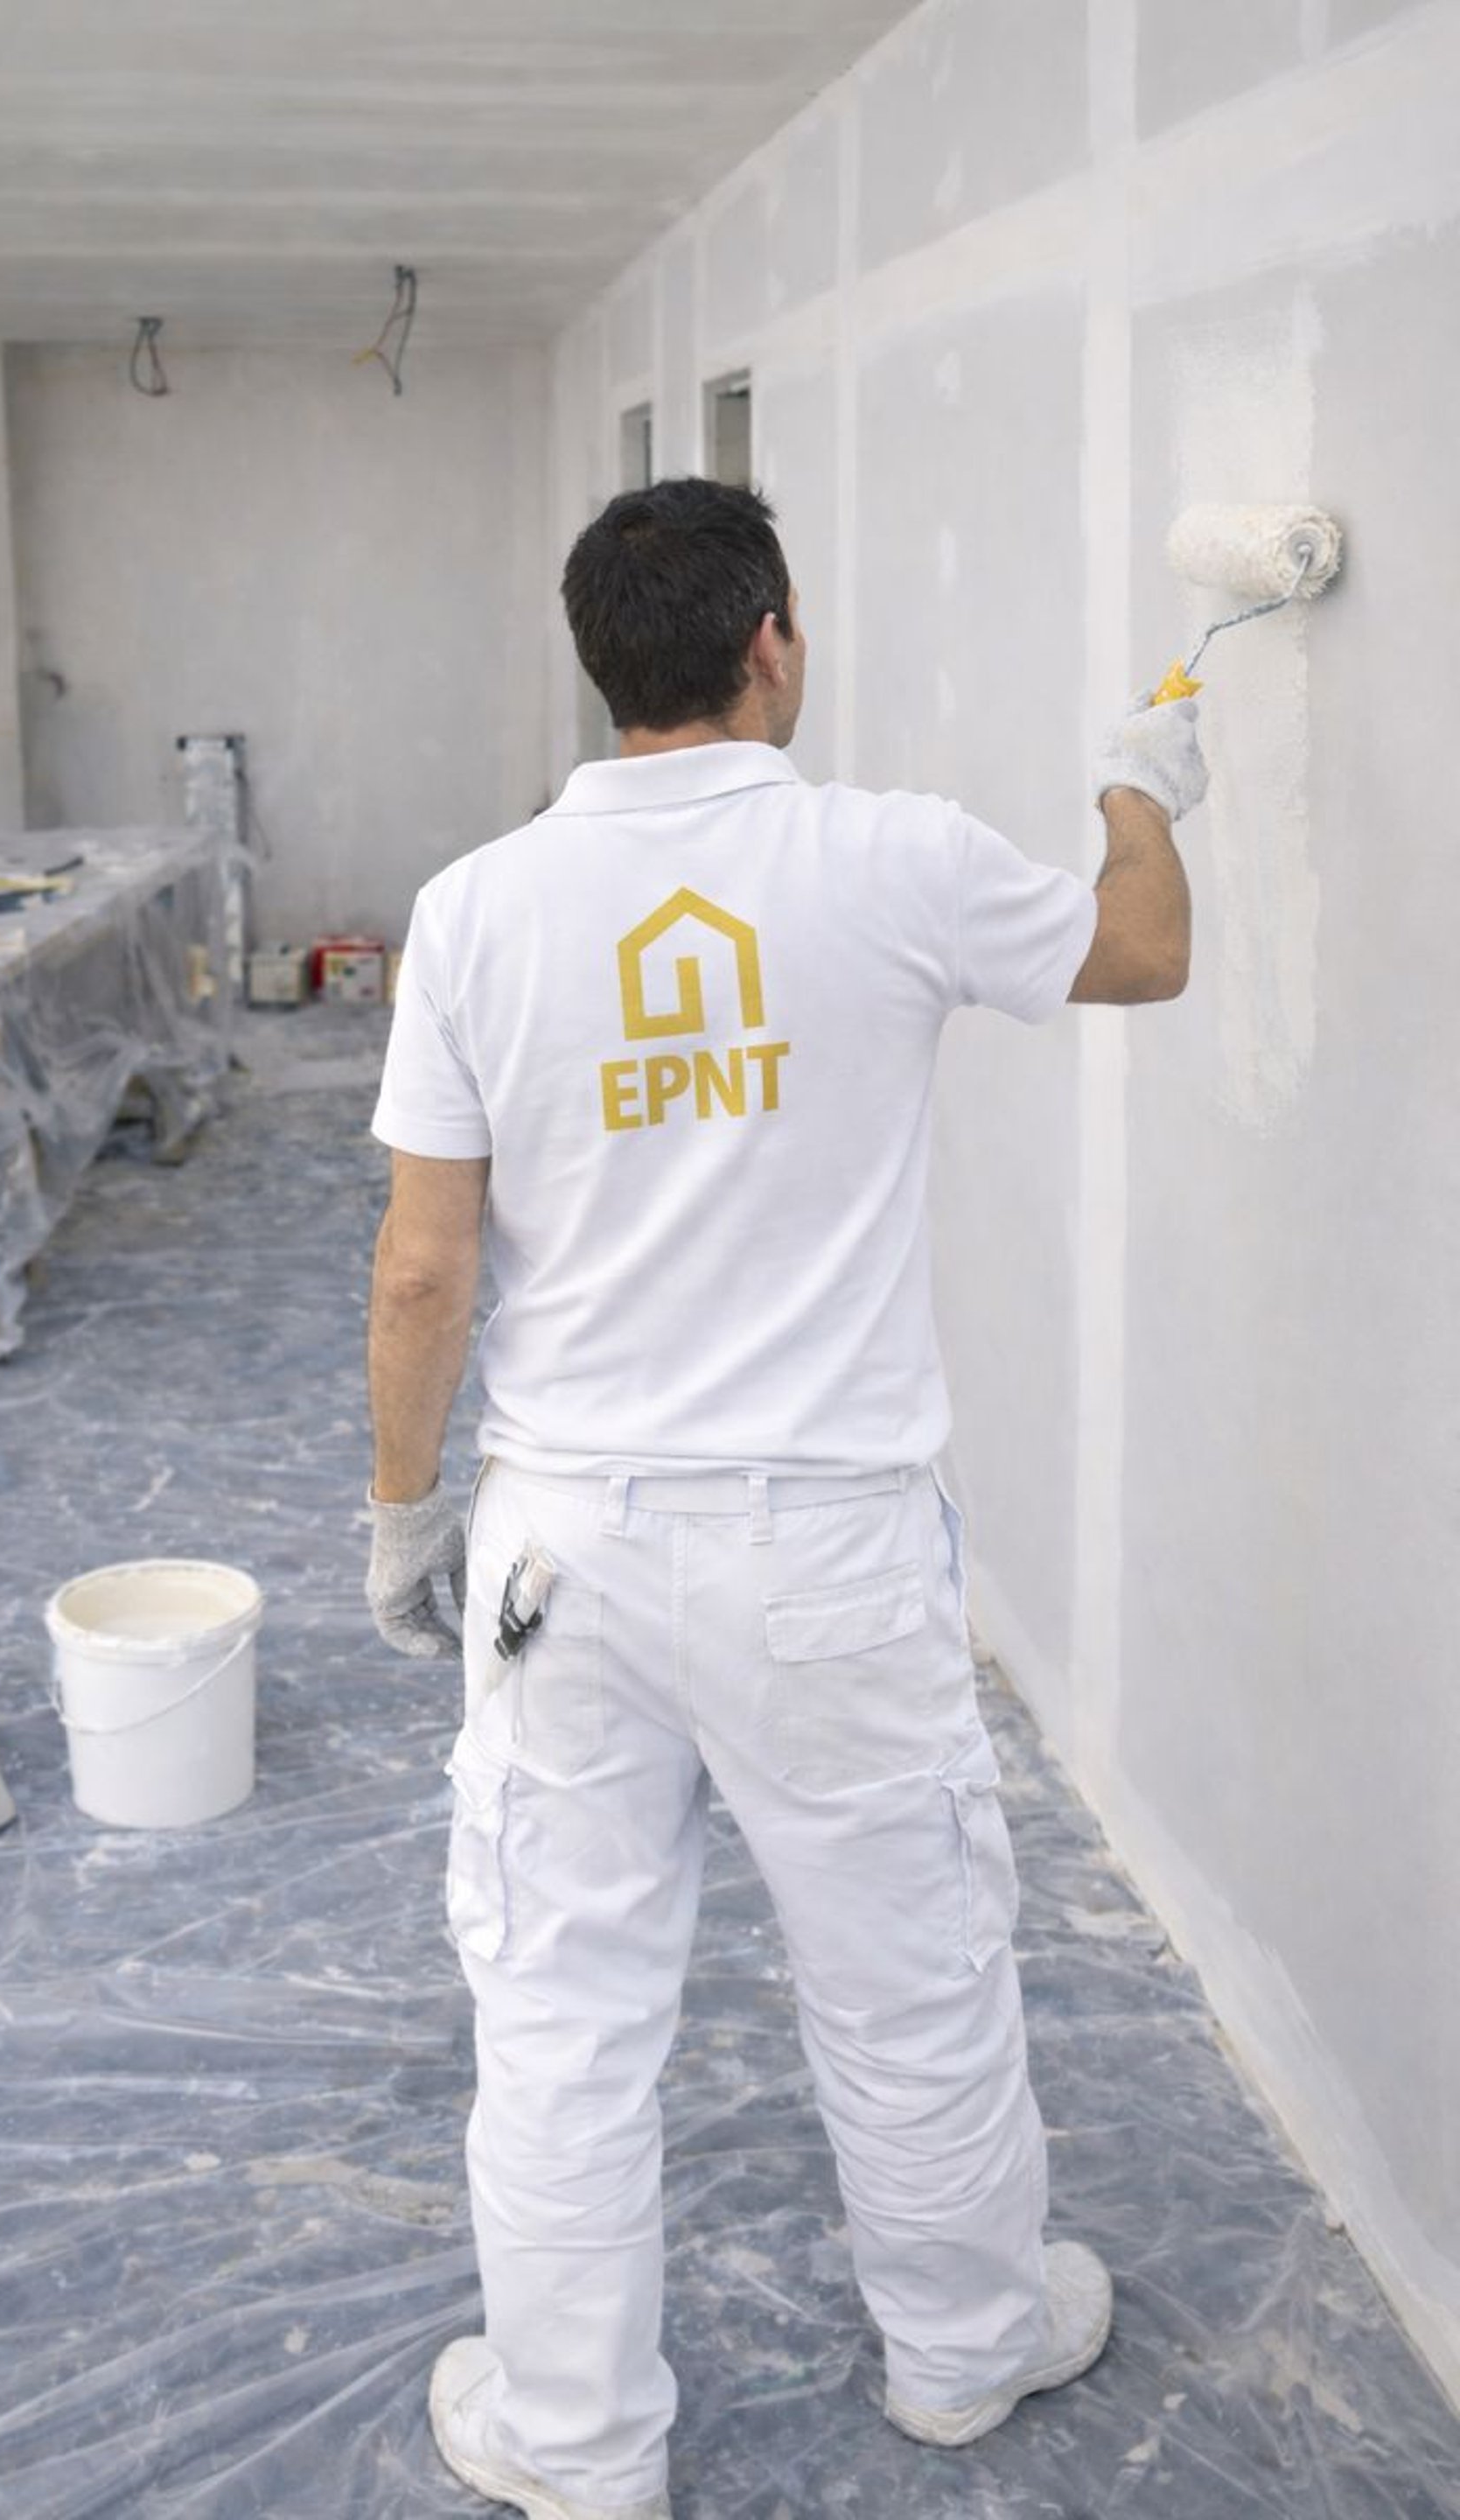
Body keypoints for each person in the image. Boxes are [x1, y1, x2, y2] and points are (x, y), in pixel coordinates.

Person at [365, 476, 1204, 2520]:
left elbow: (420, 1268)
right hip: (828, 1549)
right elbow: (1141, 951)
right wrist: (1139, 781)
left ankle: (575, 2445)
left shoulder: (480, 909)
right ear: (774, 647)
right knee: (908, 1969)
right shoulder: (885, 861)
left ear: (603, 668)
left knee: (560, 2010)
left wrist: (402, 1522)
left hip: (566, 1548)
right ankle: (964, 2354)